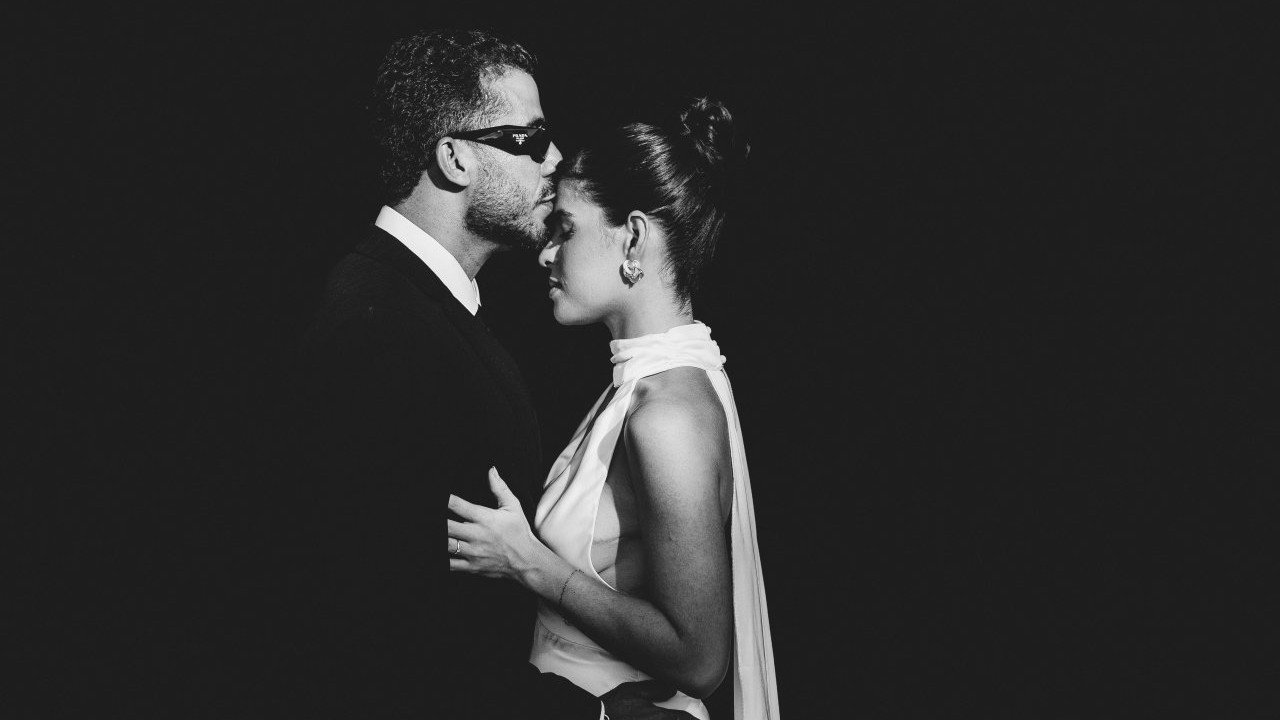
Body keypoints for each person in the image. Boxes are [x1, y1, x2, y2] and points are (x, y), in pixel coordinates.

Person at [283, 29, 661, 719]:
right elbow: (393, 640)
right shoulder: (378, 333)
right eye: (530, 140)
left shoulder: (421, 304)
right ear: (454, 158)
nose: (555, 160)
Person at [446, 99, 780, 719]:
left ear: (633, 238)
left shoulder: (667, 414)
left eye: (565, 229)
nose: (546, 254)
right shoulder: (639, 386)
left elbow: (699, 658)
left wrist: (528, 563)